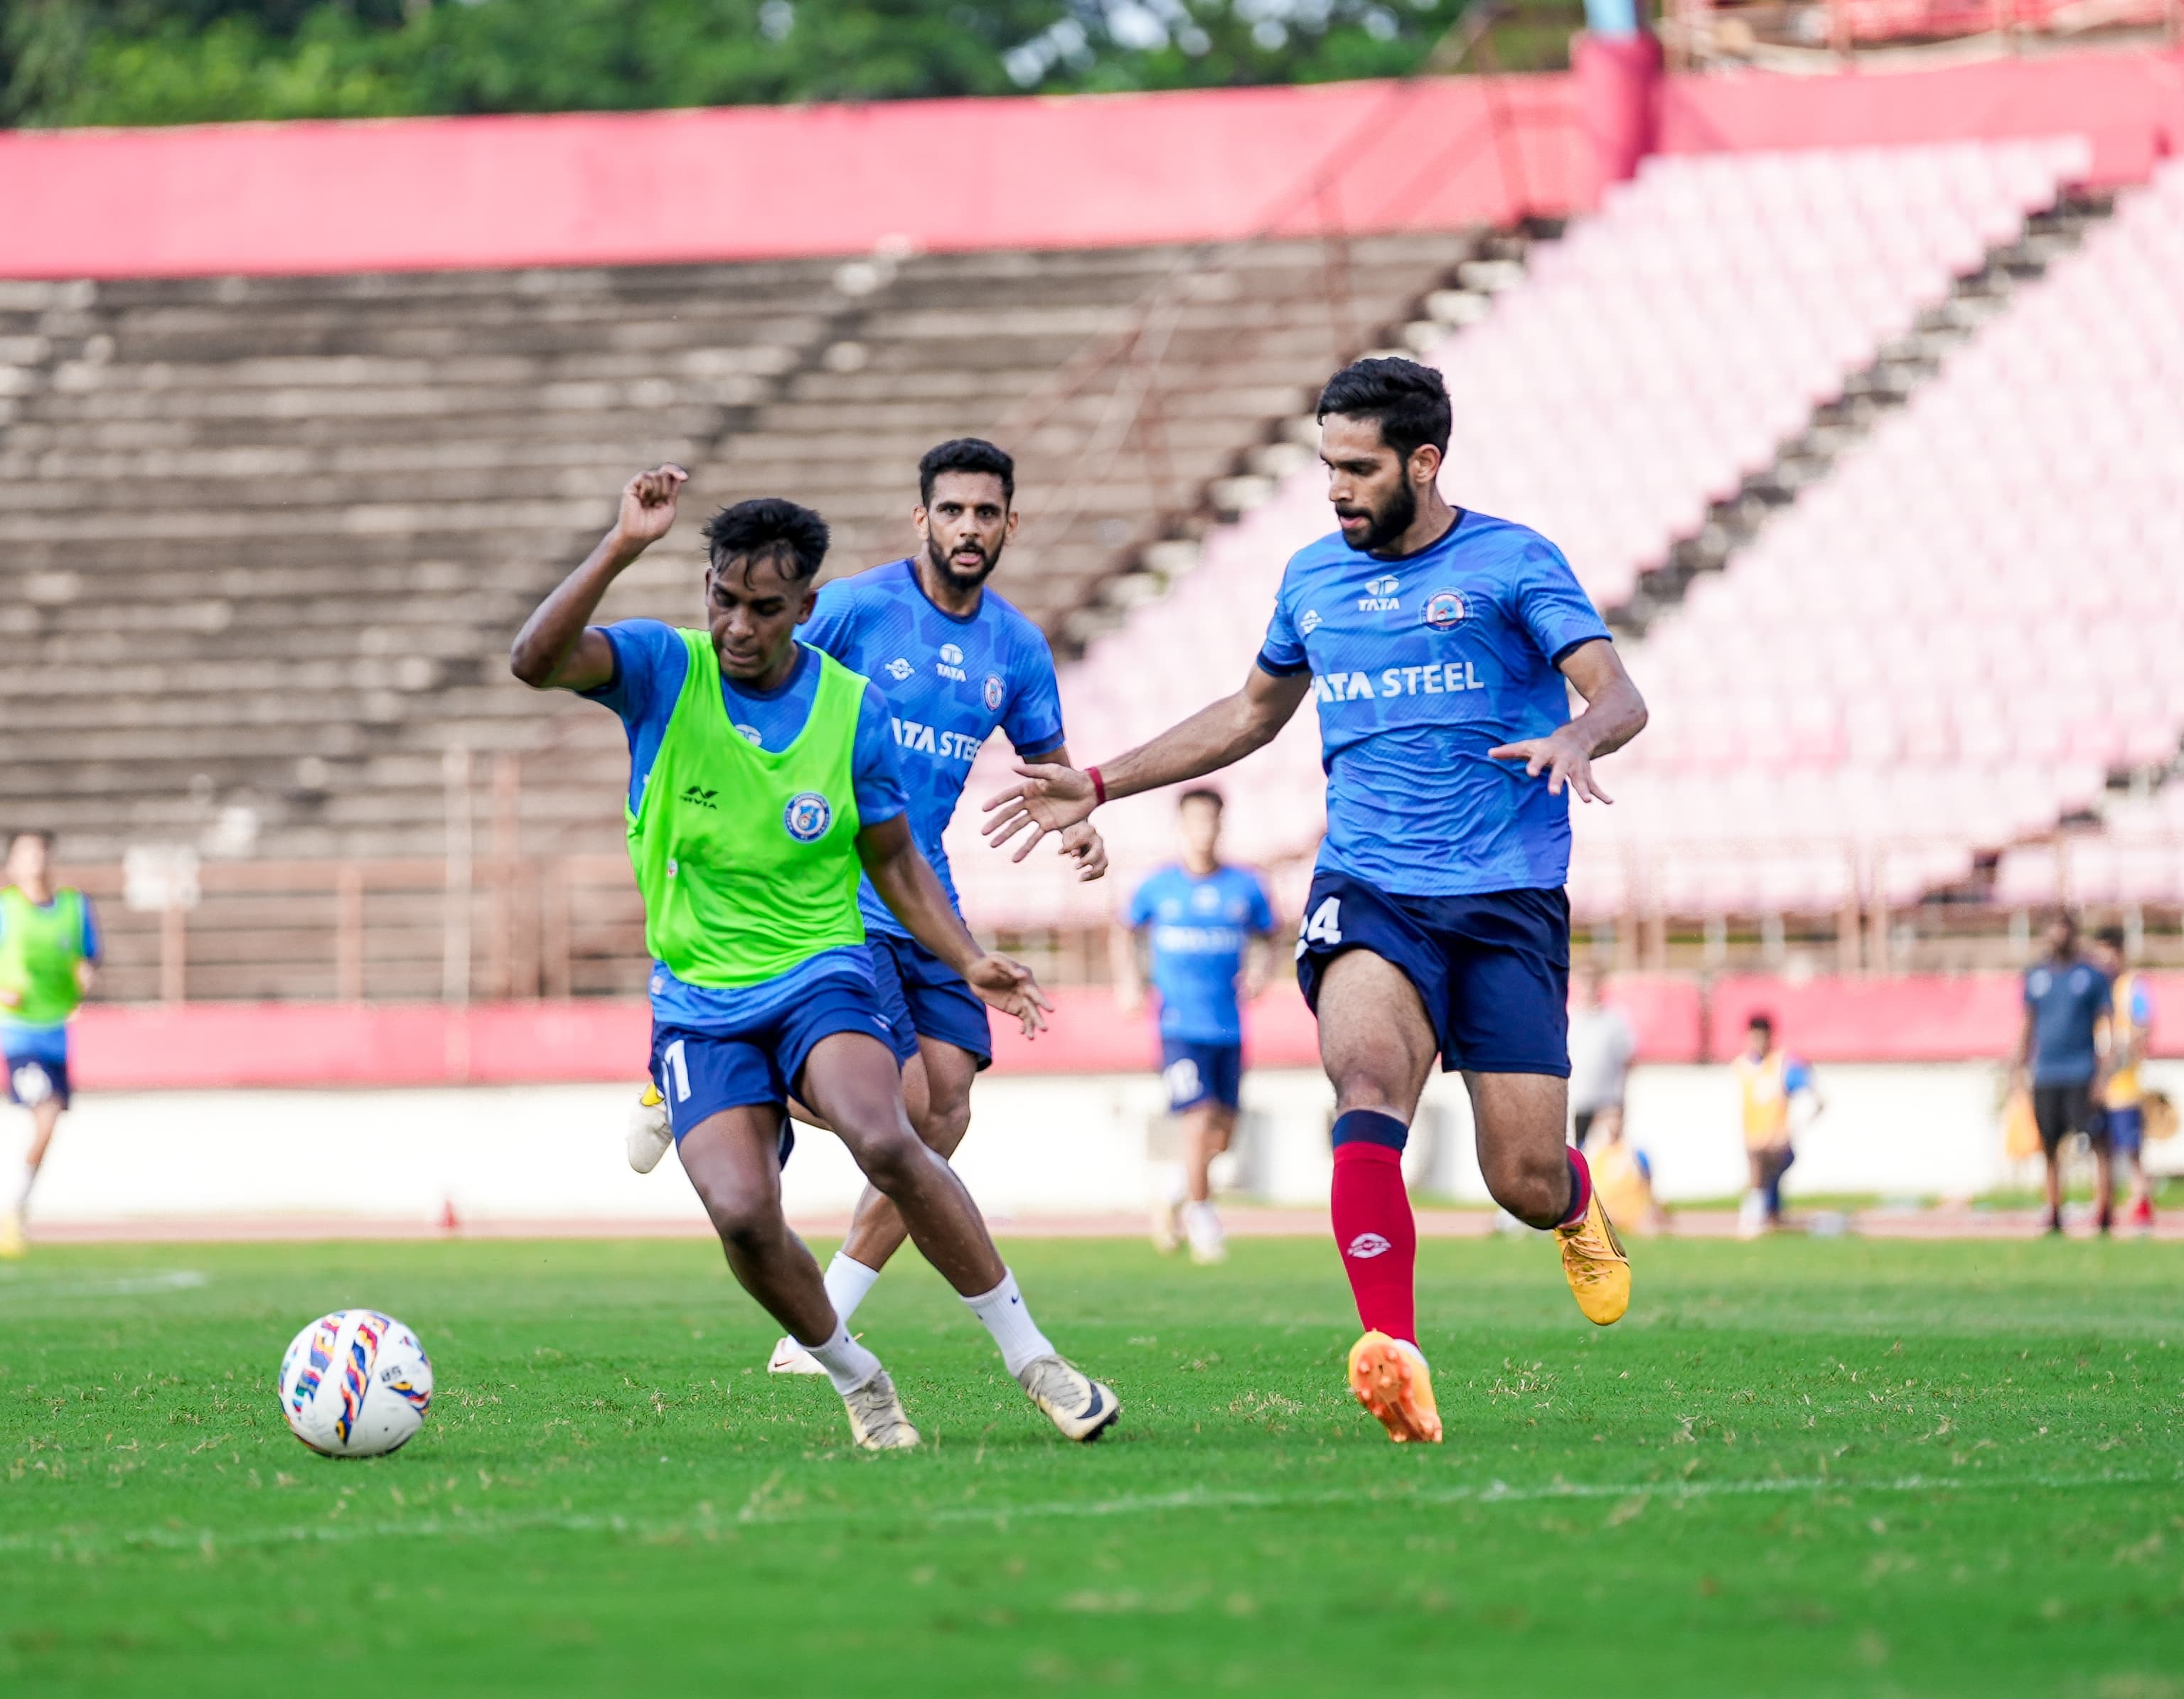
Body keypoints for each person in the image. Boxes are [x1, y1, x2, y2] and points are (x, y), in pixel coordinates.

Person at [983, 355, 1648, 1445]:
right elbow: (1251, 713)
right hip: (1370, 887)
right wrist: (1097, 782)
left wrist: (1579, 735)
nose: (1336, 487)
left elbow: (1619, 693)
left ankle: (1573, 1202)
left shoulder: (1514, 561)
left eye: (1359, 467)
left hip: (1505, 897)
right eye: (1327, 464)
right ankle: (1396, 1353)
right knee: (1366, 1080)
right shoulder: (1312, 578)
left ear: (1423, 462)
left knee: (1520, 1177)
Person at [510, 466, 1117, 1449]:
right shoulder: (664, 668)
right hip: (698, 998)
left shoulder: (849, 706)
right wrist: (622, 544)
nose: (737, 626)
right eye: (724, 599)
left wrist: (968, 959)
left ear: (805, 609)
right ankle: (856, 1375)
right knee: (745, 1214)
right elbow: (533, 660)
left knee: (894, 1132)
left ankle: (1035, 1358)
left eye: (763, 608)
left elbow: (893, 856)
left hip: (820, 971)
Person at [1113, 788, 1278, 1265]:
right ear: (1181, 827)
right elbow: (1124, 930)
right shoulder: (1158, 887)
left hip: (1229, 1025)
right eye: (1195, 821)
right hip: (1179, 1026)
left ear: (1221, 825)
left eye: (1210, 821)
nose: (1203, 831)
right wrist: (1129, 981)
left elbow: (1270, 936)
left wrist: (1261, 972)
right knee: (1198, 1118)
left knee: (1223, 1136)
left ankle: (1173, 1190)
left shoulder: (1245, 887)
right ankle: (1202, 1218)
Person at [1, 830, 100, 1258]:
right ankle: (11, 1210)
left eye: (39, 853)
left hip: (57, 1032)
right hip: (18, 1032)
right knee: (46, 1111)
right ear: (12, 863)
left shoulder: (74, 907)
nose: (34, 861)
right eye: (24, 854)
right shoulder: (6, 908)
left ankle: (16, 1206)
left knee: (51, 1119)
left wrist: (84, 976)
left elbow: (89, 956)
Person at [2011, 913, 2114, 1236]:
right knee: (2049, 1144)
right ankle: (2054, 1210)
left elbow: (2106, 1026)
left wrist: (2103, 1074)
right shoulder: (2036, 976)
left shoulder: (2091, 975)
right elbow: (2027, 1024)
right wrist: (2018, 1067)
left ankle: (2104, 1210)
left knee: (2096, 1142)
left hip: (2081, 1071)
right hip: (2046, 1073)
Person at [1731, 1013, 1821, 1238]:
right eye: (1754, 1038)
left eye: (1762, 1038)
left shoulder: (1783, 1066)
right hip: (1754, 1143)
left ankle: (1752, 1215)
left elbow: (1818, 1099)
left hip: (1778, 1148)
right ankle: (1767, 1213)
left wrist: (1795, 1128)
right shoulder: (1742, 1067)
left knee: (1759, 1159)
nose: (1758, 1043)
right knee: (1772, 1209)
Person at [2089, 923, 2155, 1231]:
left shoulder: (2132, 987)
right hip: (2097, 1083)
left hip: (2124, 1082)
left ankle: (2141, 1202)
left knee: (2131, 1149)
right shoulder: (2095, 990)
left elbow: (2143, 1026)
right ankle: (2105, 1203)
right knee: (2101, 1149)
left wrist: (2120, 1056)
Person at [1567, 962, 1635, 1149]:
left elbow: (1627, 1062)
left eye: (1593, 979)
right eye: (1585, 979)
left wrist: (1621, 1102)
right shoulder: (1569, 1019)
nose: (1589, 985)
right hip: (1576, 1101)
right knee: (1578, 1154)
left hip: (1606, 1102)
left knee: (1606, 1156)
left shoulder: (1615, 1020)